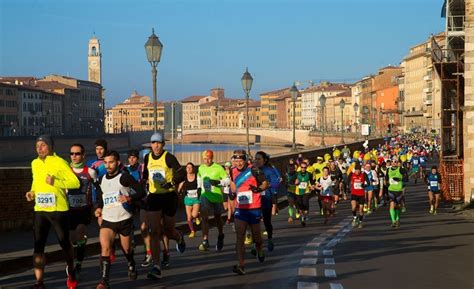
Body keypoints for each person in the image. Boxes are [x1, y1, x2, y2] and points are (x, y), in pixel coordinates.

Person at [25, 135, 80, 289]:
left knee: (64, 243)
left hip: (59, 210)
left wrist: (55, 182)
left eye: (43, 145)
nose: (39, 148)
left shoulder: (60, 162)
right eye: (37, 146)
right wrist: (32, 192)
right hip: (40, 210)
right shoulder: (34, 163)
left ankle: (71, 269)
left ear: (50, 146)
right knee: (38, 246)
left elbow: (75, 182)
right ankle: (39, 282)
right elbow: (35, 182)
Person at [94, 151, 145, 289]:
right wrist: (98, 208)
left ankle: (131, 263)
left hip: (124, 219)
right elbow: (101, 198)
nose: (108, 165)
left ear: (117, 162)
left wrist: (129, 198)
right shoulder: (101, 179)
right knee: (105, 248)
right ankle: (104, 281)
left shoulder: (125, 178)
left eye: (111, 162)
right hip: (108, 220)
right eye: (105, 162)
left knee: (127, 249)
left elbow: (141, 192)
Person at [142, 132, 186, 280]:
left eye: (158, 143)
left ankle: (179, 237)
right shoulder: (147, 157)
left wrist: (172, 182)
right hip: (154, 197)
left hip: (169, 197)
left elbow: (182, 172)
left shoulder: (168, 157)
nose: (156, 146)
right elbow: (145, 175)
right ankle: (156, 265)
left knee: (168, 230)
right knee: (154, 231)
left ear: (163, 144)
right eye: (153, 143)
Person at [229, 150, 268, 275]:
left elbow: (265, 183)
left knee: (257, 237)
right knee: (240, 237)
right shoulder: (232, 171)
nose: (239, 163)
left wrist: (258, 189)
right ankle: (241, 265)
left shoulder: (254, 170)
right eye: (236, 161)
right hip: (240, 209)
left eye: (241, 161)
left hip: (254, 207)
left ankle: (260, 249)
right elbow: (233, 186)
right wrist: (232, 193)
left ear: (245, 160)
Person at [68, 143, 98, 275]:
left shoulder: (90, 172)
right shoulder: (66, 170)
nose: (74, 156)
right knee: (71, 238)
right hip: (69, 209)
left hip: (84, 208)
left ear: (83, 155)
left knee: (79, 232)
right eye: (72, 154)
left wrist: (96, 206)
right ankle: (78, 247)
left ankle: (78, 262)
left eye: (77, 153)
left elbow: (98, 189)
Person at [197, 150, 230, 251]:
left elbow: (227, 180)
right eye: (205, 158)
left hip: (216, 196)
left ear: (212, 158)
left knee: (217, 218)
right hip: (204, 195)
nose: (207, 160)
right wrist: (198, 194)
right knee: (204, 217)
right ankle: (205, 240)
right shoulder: (201, 168)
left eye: (209, 158)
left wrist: (218, 182)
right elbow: (199, 181)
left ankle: (220, 234)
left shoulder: (218, 168)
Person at [125, 149, 152, 268]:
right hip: (130, 200)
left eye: (134, 157)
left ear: (137, 158)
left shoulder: (142, 168)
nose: (131, 160)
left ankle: (149, 253)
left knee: (144, 227)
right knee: (128, 228)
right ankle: (131, 250)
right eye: (130, 157)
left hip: (142, 199)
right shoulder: (124, 170)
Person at [254, 151, 280, 252]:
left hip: (266, 199)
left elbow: (276, 183)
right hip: (254, 200)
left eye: (259, 159)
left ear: (264, 161)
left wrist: (267, 185)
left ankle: (269, 238)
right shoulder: (252, 170)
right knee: (254, 222)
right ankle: (255, 244)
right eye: (255, 158)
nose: (256, 161)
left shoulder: (269, 170)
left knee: (266, 221)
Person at [178, 162, 200, 238]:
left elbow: (200, 185)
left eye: (190, 167)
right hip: (188, 199)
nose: (189, 169)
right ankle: (192, 231)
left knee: (194, 215)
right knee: (189, 217)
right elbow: (181, 183)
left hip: (196, 199)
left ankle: (197, 216)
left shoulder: (197, 176)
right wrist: (179, 190)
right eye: (187, 167)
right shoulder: (184, 177)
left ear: (193, 168)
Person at [386, 158, 408, 228]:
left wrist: (400, 179)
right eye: (392, 161)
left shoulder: (401, 170)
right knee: (392, 204)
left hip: (399, 190)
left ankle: (397, 219)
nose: (393, 163)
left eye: (395, 162)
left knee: (398, 206)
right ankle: (393, 221)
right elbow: (386, 179)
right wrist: (387, 185)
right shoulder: (388, 170)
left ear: (397, 163)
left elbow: (406, 178)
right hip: (391, 190)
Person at [295, 161, 314, 227]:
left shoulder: (309, 174)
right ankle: (302, 218)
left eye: (304, 167)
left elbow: (312, 181)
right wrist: (295, 183)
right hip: (298, 192)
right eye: (302, 167)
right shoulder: (297, 174)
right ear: (300, 167)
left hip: (306, 192)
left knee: (305, 206)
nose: (303, 169)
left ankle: (304, 215)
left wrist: (312, 186)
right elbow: (291, 182)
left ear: (306, 167)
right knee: (300, 206)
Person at [349, 163, 365, 228]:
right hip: (354, 193)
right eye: (356, 170)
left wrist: (365, 185)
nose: (357, 171)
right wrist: (347, 186)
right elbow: (347, 180)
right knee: (353, 207)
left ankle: (360, 222)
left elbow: (368, 182)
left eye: (359, 170)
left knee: (361, 210)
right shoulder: (352, 174)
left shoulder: (363, 174)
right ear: (354, 170)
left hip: (361, 194)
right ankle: (355, 218)